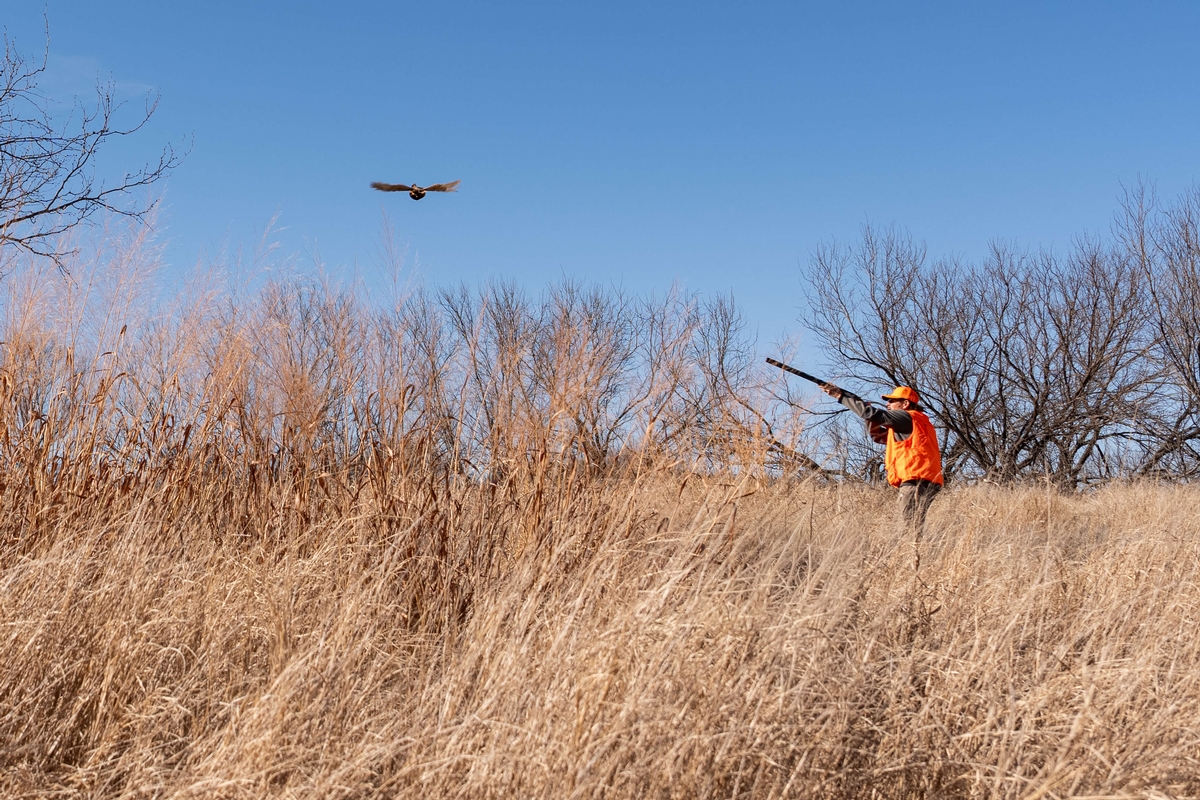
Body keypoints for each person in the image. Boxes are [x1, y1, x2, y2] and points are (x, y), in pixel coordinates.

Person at [820, 382, 944, 532]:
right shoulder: (916, 422)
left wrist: (841, 396)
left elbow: (871, 413)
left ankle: (907, 555)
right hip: (924, 482)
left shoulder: (907, 418)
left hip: (915, 482)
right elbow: (879, 435)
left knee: (905, 528)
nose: (888, 404)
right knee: (913, 526)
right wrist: (860, 405)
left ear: (905, 404)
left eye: (892, 401)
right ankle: (916, 554)